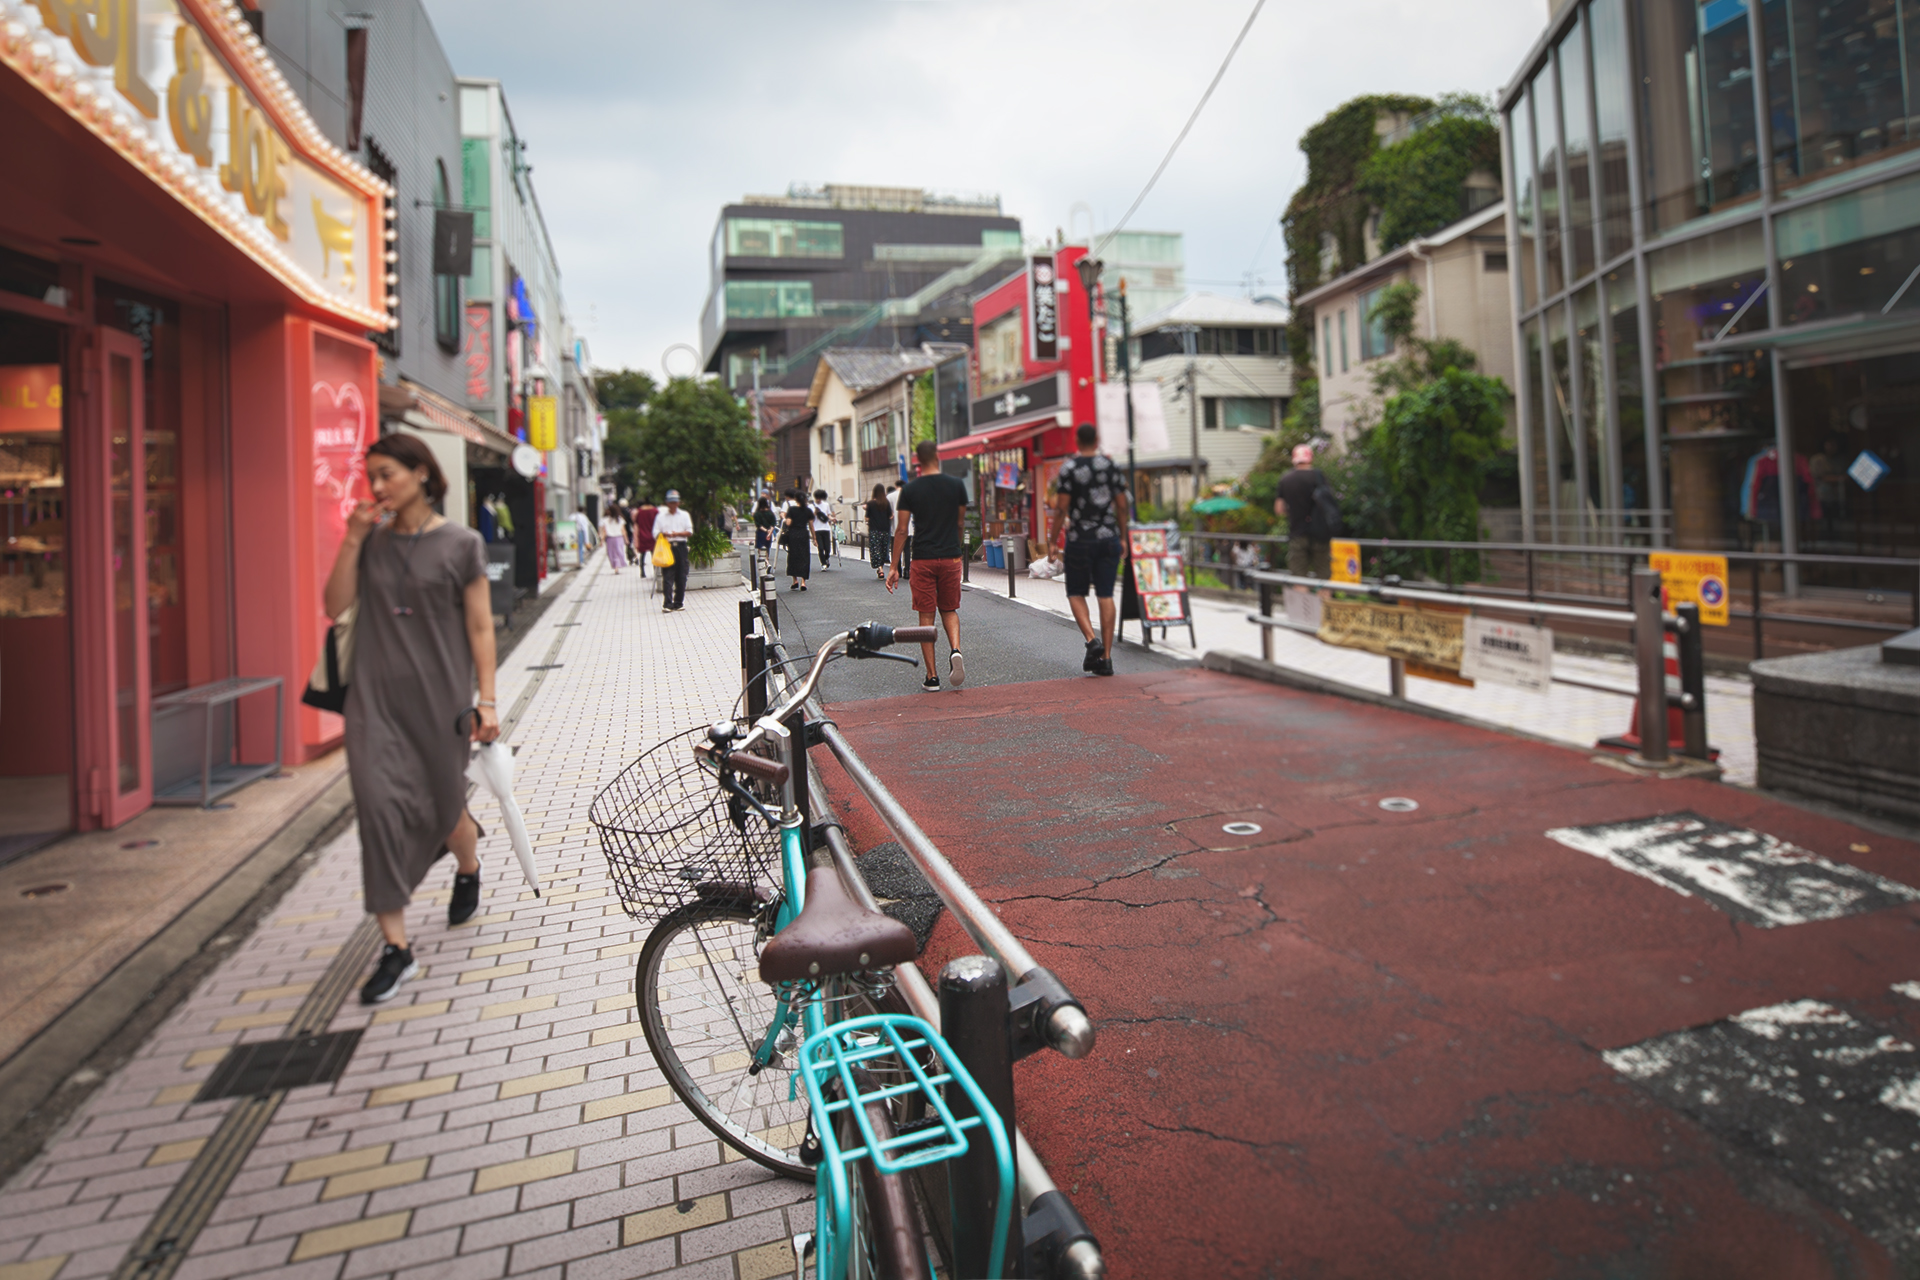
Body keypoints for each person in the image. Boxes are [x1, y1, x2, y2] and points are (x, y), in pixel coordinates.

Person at [321, 434, 498, 1005]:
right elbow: (334, 605)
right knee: (379, 811)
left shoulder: (461, 542)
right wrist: (350, 540)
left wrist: (487, 701)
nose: (376, 487)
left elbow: (479, 627)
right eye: (370, 476)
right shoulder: (368, 542)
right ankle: (396, 950)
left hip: (440, 700)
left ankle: (466, 864)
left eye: (387, 474)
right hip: (372, 702)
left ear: (422, 473)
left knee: (445, 805)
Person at [1048, 423, 1130, 676]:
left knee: (1075, 592)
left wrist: (1053, 540)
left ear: (1076, 440)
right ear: (1097, 439)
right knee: (1106, 594)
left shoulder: (1069, 468)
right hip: (1108, 538)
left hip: (1080, 538)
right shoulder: (1111, 466)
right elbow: (1122, 505)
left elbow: (1061, 508)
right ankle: (1105, 658)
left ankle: (1091, 640)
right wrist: (1123, 537)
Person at [888, 440, 968, 691]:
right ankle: (955, 649)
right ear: (937, 456)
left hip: (922, 558)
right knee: (949, 609)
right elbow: (959, 523)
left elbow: (901, 530)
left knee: (926, 615)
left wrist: (893, 566)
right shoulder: (956, 485)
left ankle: (932, 676)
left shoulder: (910, 490)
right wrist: (957, 551)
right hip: (950, 556)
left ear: (918, 461)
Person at [1273, 444, 1334, 579]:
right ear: (1310, 458)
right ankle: (1324, 599)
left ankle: (1302, 599)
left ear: (1294, 459)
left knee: (1298, 577)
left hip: (1297, 533)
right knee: (1323, 575)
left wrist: (1293, 511)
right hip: (1320, 533)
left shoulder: (1286, 479)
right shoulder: (1319, 477)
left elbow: (1279, 509)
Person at [654, 490, 695, 611]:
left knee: (682, 575)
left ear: (678, 503)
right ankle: (667, 603)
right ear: (667, 503)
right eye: (670, 502)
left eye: (675, 502)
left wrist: (677, 533)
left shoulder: (684, 515)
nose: (673, 504)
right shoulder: (661, 517)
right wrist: (664, 534)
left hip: (681, 546)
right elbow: (655, 532)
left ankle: (678, 602)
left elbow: (689, 531)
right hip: (667, 547)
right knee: (668, 575)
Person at [782, 488, 812, 590]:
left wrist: (786, 519)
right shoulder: (808, 510)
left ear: (796, 499)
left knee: (793, 556)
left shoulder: (792, 510)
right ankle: (803, 582)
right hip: (804, 534)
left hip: (793, 535)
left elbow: (789, 523)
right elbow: (811, 525)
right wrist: (815, 538)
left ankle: (795, 580)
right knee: (804, 557)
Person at [864, 483, 893, 581]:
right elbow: (891, 516)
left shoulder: (871, 504)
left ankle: (880, 569)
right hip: (885, 529)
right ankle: (882, 565)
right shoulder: (886, 503)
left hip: (874, 530)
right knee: (883, 549)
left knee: (876, 549)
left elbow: (867, 518)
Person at [631, 500, 658, 578]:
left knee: (642, 555)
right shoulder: (655, 511)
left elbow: (635, 521)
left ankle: (642, 572)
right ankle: (655, 570)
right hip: (652, 535)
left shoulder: (639, 512)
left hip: (642, 534)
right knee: (654, 554)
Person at [600, 505, 628, 574]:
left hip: (610, 539)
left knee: (612, 553)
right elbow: (623, 530)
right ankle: (617, 566)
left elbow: (604, 532)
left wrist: (602, 541)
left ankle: (616, 566)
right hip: (619, 538)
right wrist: (626, 539)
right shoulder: (620, 519)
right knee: (619, 552)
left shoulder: (605, 520)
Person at [812, 489, 836, 568]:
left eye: (820, 498)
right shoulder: (811, 506)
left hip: (826, 528)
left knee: (828, 548)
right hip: (816, 529)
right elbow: (809, 518)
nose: (818, 500)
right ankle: (823, 564)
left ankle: (826, 559)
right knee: (821, 548)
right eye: (817, 498)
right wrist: (815, 513)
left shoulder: (826, 505)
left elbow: (828, 515)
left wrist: (832, 519)